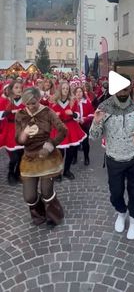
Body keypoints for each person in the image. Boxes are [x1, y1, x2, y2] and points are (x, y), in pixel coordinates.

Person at [89, 76, 134, 240]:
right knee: (115, 193)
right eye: (119, 89)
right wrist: (96, 122)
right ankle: (121, 213)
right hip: (113, 158)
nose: (122, 92)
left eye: (125, 89)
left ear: (130, 89)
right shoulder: (104, 108)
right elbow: (93, 136)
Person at [15, 87, 67, 226]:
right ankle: (39, 213)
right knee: (29, 196)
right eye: (28, 104)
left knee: (46, 192)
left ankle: (53, 215)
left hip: (47, 157)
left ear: (38, 99)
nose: (31, 106)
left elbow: (63, 130)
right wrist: (23, 135)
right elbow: (18, 140)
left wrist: (50, 146)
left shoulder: (47, 112)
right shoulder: (20, 115)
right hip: (29, 158)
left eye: (33, 103)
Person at [50, 81, 86, 180]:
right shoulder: (54, 102)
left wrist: (73, 114)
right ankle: (57, 172)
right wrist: (55, 116)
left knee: (70, 151)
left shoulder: (73, 101)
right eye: (63, 88)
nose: (65, 90)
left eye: (67, 88)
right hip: (59, 128)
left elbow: (78, 115)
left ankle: (67, 170)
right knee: (60, 152)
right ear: (60, 89)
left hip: (71, 127)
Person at [0, 80, 25, 185]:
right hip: (10, 128)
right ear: (11, 89)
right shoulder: (6, 101)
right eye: (16, 87)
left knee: (22, 154)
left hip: (22, 128)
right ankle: (10, 173)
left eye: (20, 87)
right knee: (14, 156)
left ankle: (17, 173)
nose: (19, 89)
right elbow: (1, 115)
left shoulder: (24, 100)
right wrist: (10, 112)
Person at [73, 86, 94, 165]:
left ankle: (86, 157)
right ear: (74, 94)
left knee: (85, 143)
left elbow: (92, 114)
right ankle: (74, 158)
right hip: (75, 126)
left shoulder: (87, 102)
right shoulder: (72, 103)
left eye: (80, 92)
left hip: (84, 125)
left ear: (83, 93)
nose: (78, 93)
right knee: (75, 144)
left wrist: (84, 119)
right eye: (77, 92)